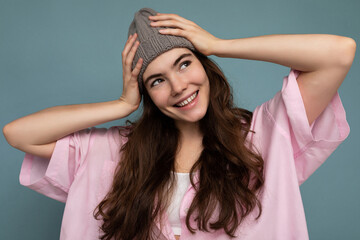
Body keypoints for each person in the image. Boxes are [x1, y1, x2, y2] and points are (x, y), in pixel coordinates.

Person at [2, 7, 355, 240]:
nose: (178, 87)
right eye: (156, 80)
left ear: (204, 64)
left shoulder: (264, 135)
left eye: (185, 63)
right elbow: (17, 133)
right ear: (147, 94)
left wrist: (220, 44)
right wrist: (121, 105)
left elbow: (339, 53)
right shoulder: (114, 151)